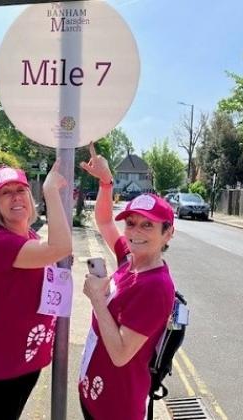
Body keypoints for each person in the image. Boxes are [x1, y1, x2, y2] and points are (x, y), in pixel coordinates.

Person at [78, 143, 175, 420]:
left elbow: (121, 354)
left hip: (116, 407)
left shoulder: (156, 287)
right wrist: (107, 183)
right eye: (131, 223)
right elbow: (106, 221)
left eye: (147, 225)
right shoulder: (129, 259)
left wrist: (97, 299)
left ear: (168, 234)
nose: (135, 232)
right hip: (94, 391)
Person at [0, 161, 72, 420]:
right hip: (7, 359)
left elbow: (53, 251)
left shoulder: (30, 237)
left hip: (31, 351)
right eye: (5, 192)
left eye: (20, 190)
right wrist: (51, 191)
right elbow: (60, 247)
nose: (15, 197)